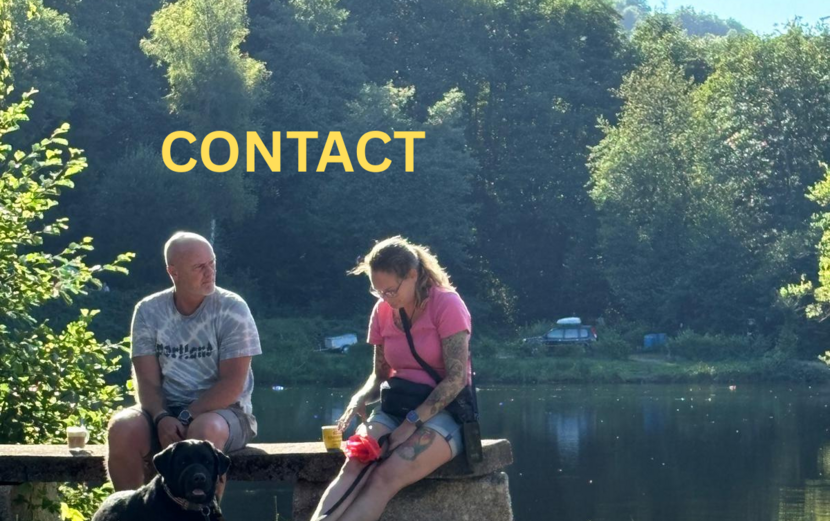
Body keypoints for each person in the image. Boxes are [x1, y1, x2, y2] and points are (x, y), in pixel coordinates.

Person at [312, 236, 473, 521]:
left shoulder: (447, 304)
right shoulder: (382, 311)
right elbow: (380, 375)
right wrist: (360, 397)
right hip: (395, 406)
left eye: (390, 290)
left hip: (444, 412)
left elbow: (456, 379)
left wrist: (411, 423)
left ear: (412, 275)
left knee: (384, 477)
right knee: (354, 466)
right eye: (377, 291)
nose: (385, 298)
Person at [106, 231, 262, 496]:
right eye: (199, 267)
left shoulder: (232, 308)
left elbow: (232, 384)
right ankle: (130, 511)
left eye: (212, 263)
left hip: (227, 413)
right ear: (173, 272)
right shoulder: (148, 310)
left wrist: (186, 416)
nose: (210, 272)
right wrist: (161, 416)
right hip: (165, 412)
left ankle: (202, 512)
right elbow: (146, 382)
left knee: (203, 431)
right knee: (122, 428)